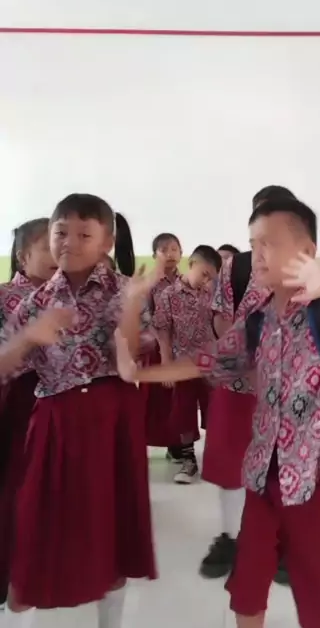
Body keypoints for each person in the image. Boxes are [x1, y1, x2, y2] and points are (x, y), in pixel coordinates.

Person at [117, 197, 320, 628]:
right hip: (262, 473)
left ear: (306, 251)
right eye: (254, 244)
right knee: (247, 588)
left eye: (269, 243)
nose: (257, 254)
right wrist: (140, 373)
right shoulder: (258, 319)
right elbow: (210, 359)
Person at [0, 194, 160, 628]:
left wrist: (131, 307)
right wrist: (28, 337)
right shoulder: (36, 301)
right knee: (35, 536)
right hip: (55, 422)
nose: (69, 242)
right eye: (60, 233)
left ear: (106, 241)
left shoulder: (124, 289)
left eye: (84, 234)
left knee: (112, 534)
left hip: (112, 421)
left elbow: (129, 359)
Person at [201, 185, 296, 583]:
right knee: (229, 463)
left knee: (283, 465)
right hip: (237, 384)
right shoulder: (236, 266)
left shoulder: (303, 268)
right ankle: (230, 537)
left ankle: (283, 543)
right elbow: (221, 315)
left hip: (287, 389)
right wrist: (244, 363)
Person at [0, 219, 57, 607]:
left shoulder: (68, 295)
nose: (59, 251)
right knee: (15, 489)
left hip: (59, 404)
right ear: (23, 256)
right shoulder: (6, 297)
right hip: (20, 401)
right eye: (47, 245)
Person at [153, 244, 222, 484]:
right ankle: (188, 460)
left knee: (215, 409)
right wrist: (166, 363)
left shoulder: (212, 295)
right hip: (182, 364)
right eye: (204, 274)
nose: (206, 281)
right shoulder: (168, 295)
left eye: (211, 278)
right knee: (183, 411)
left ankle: (215, 458)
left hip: (209, 364)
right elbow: (163, 331)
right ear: (192, 264)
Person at [141, 232, 184, 459]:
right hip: (156, 350)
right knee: (152, 400)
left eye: (174, 249)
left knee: (177, 400)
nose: (170, 254)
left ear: (181, 253)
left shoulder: (185, 282)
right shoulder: (149, 284)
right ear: (154, 255)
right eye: (164, 250)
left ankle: (175, 444)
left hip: (181, 349)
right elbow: (146, 317)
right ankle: (141, 444)